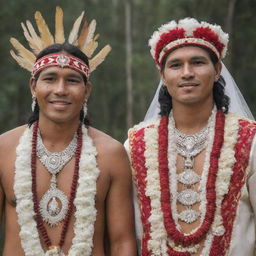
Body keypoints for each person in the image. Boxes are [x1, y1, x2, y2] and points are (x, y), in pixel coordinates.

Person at [0, 7, 137, 256]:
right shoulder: (3, 149)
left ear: (87, 90)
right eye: (50, 78)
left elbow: (121, 243)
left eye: (72, 80)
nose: (60, 90)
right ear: (33, 86)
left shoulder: (111, 154)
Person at [126, 17, 256, 255]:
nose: (187, 73)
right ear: (163, 77)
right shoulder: (136, 144)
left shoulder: (250, 140)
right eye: (175, 65)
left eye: (197, 63)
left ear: (217, 71)